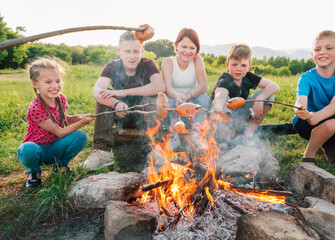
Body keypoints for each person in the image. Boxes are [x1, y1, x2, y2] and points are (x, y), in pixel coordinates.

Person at [83, 30, 165, 169]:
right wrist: (116, 103)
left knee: (154, 95)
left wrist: (124, 92)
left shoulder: (147, 64)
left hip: (143, 115)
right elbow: (96, 91)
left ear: (142, 51)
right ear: (119, 51)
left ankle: (155, 148)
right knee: (105, 93)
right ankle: (103, 151)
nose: (132, 56)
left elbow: (160, 86)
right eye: (127, 51)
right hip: (120, 116)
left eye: (136, 51)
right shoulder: (112, 66)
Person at [17, 57, 94, 188]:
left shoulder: (60, 98)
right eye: (48, 82)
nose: (55, 86)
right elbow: (59, 131)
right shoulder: (35, 108)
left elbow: (64, 119)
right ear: (35, 83)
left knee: (80, 137)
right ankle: (34, 173)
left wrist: (79, 117)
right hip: (38, 151)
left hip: (56, 146)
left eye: (58, 81)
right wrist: (81, 123)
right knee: (27, 149)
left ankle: (61, 165)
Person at [293, 30, 335, 165]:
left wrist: (318, 116)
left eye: (329, 48)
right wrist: (300, 110)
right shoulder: (306, 77)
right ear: (312, 54)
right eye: (317, 49)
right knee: (332, 122)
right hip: (305, 122)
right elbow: (300, 100)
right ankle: (309, 154)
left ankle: (321, 141)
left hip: (328, 124)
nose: (322, 52)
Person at [211, 43, 279, 145]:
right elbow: (220, 94)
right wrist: (218, 107)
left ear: (249, 67)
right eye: (234, 64)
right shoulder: (225, 80)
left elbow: (274, 86)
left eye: (243, 65)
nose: (239, 69)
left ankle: (247, 134)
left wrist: (260, 98)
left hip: (239, 117)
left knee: (268, 95)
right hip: (220, 119)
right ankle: (225, 138)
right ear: (227, 65)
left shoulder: (248, 77)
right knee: (226, 100)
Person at [161, 28, 211, 130]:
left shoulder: (197, 59)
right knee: (169, 103)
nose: (188, 51)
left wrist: (187, 97)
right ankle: (174, 133)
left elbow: (203, 86)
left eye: (192, 48)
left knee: (204, 99)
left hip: (191, 97)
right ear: (176, 46)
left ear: (197, 49)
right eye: (184, 47)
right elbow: (168, 88)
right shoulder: (168, 62)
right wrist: (178, 97)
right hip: (174, 98)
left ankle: (197, 132)